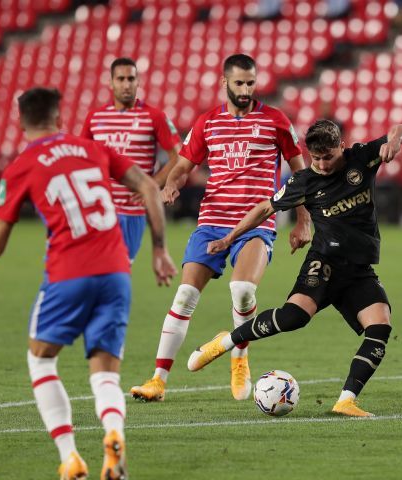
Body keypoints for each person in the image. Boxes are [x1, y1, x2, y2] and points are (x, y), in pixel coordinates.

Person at [0, 87, 176, 479]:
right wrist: (159, 250)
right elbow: (147, 186)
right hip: (116, 272)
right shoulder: (91, 148)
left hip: (68, 275)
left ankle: (70, 456)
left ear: (21, 122)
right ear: (60, 119)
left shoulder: (20, 166)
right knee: (106, 373)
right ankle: (113, 433)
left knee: (41, 358)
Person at [186, 119, 402, 417]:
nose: (321, 164)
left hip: (358, 269)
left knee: (380, 327)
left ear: (341, 147)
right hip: (325, 263)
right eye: (315, 158)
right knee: (294, 317)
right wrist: (229, 237)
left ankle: (346, 400)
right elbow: (265, 208)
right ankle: (225, 341)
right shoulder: (304, 181)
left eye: (328, 157)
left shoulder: (362, 157)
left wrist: (394, 141)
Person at [130, 54, 312, 403]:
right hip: (212, 221)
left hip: (257, 222)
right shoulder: (207, 123)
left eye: (250, 83)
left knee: (243, 290)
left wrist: (303, 220)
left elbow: (299, 172)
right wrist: (172, 184)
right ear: (224, 82)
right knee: (184, 297)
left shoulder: (275, 121)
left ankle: (239, 357)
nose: (245, 89)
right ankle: (157, 380)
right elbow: (183, 165)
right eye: (239, 83)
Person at [81, 57, 182, 261]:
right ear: (111, 83)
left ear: (138, 82)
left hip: (131, 211)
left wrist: (151, 185)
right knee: (88, 270)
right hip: (98, 210)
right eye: (120, 79)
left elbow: (178, 157)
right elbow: (81, 158)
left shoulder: (154, 116)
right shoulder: (95, 117)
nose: (126, 84)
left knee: (118, 270)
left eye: (131, 79)